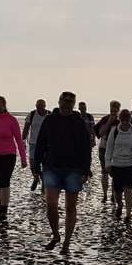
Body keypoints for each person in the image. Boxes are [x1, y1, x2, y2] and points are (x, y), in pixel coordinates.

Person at [33, 91, 93, 254]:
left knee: (70, 207)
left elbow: (86, 147)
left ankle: (66, 242)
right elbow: (40, 143)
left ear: (74, 103)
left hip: (74, 169)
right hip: (52, 167)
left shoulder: (79, 122)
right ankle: (56, 235)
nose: (67, 103)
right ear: (59, 101)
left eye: (70, 100)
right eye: (64, 100)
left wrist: (86, 169)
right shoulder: (50, 120)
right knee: (51, 205)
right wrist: (35, 165)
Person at [103, 108, 132, 223]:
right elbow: (109, 148)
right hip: (117, 163)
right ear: (120, 120)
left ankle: (128, 213)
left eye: (127, 120)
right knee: (117, 190)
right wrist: (108, 163)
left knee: (128, 188)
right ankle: (120, 205)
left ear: (130, 120)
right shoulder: (115, 131)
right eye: (123, 120)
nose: (125, 122)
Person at [96, 100, 123, 203]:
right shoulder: (105, 119)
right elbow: (100, 133)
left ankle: (113, 194)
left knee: (115, 173)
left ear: (118, 109)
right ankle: (105, 195)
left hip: (116, 150)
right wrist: (108, 122)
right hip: (104, 148)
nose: (113, 110)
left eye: (116, 108)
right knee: (104, 172)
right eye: (112, 107)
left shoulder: (121, 120)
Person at [23, 99, 49, 192]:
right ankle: (36, 177)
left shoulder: (49, 115)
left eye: (41, 106)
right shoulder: (32, 114)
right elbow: (26, 128)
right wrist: (23, 140)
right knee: (33, 163)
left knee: (45, 164)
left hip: (46, 144)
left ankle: (43, 184)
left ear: (45, 105)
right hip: (33, 142)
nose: (39, 108)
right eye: (38, 106)